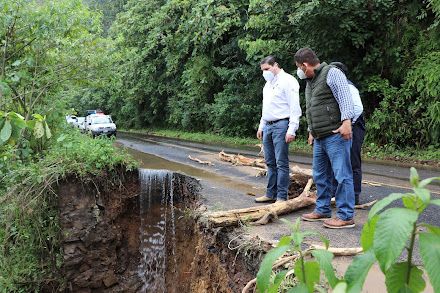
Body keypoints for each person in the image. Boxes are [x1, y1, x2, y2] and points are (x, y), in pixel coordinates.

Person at [294, 47, 356, 228]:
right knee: (320, 175)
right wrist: (311, 131)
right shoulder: (310, 81)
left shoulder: (332, 73)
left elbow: (345, 98)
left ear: (305, 65)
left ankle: (346, 216)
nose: (299, 70)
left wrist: (347, 123)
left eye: (298, 67)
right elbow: (313, 108)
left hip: (335, 134)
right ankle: (322, 209)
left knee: (342, 175)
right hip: (320, 136)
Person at [254, 56, 302, 204]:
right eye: (263, 70)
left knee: (281, 162)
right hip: (268, 125)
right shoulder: (267, 84)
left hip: (281, 125)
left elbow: (294, 107)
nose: (265, 73)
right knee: (270, 162)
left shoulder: (288, 80)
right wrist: (261, 126)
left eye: (267, 69)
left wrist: (292, 129)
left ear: (275, 65)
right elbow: (265, 107)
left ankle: (281, 196)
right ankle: (270, 193)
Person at [330, 62, 366, 206]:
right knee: (337, 161)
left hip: (354, 127)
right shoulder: (336, 87)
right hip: (342, 127)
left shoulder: (349, 87)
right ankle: (335, 194)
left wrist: (347, 125)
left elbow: (357, 108)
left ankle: (354, 196)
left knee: (353, 162)